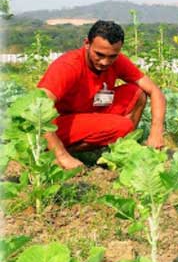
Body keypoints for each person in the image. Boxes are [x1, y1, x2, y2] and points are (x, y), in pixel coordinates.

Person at [37, 20, 167, 170]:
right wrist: (61, 155)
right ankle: (52, 153)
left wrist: (156, 132)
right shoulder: (68, 66)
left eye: (112, 56)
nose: (105, 62)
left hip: (89, 112)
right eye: (99, 54)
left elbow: (155, 91)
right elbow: (39, 109)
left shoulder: (117, 61)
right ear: (87, 44)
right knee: (123, 127)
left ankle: (121, 150)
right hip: (56, 124)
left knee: (137, 93)